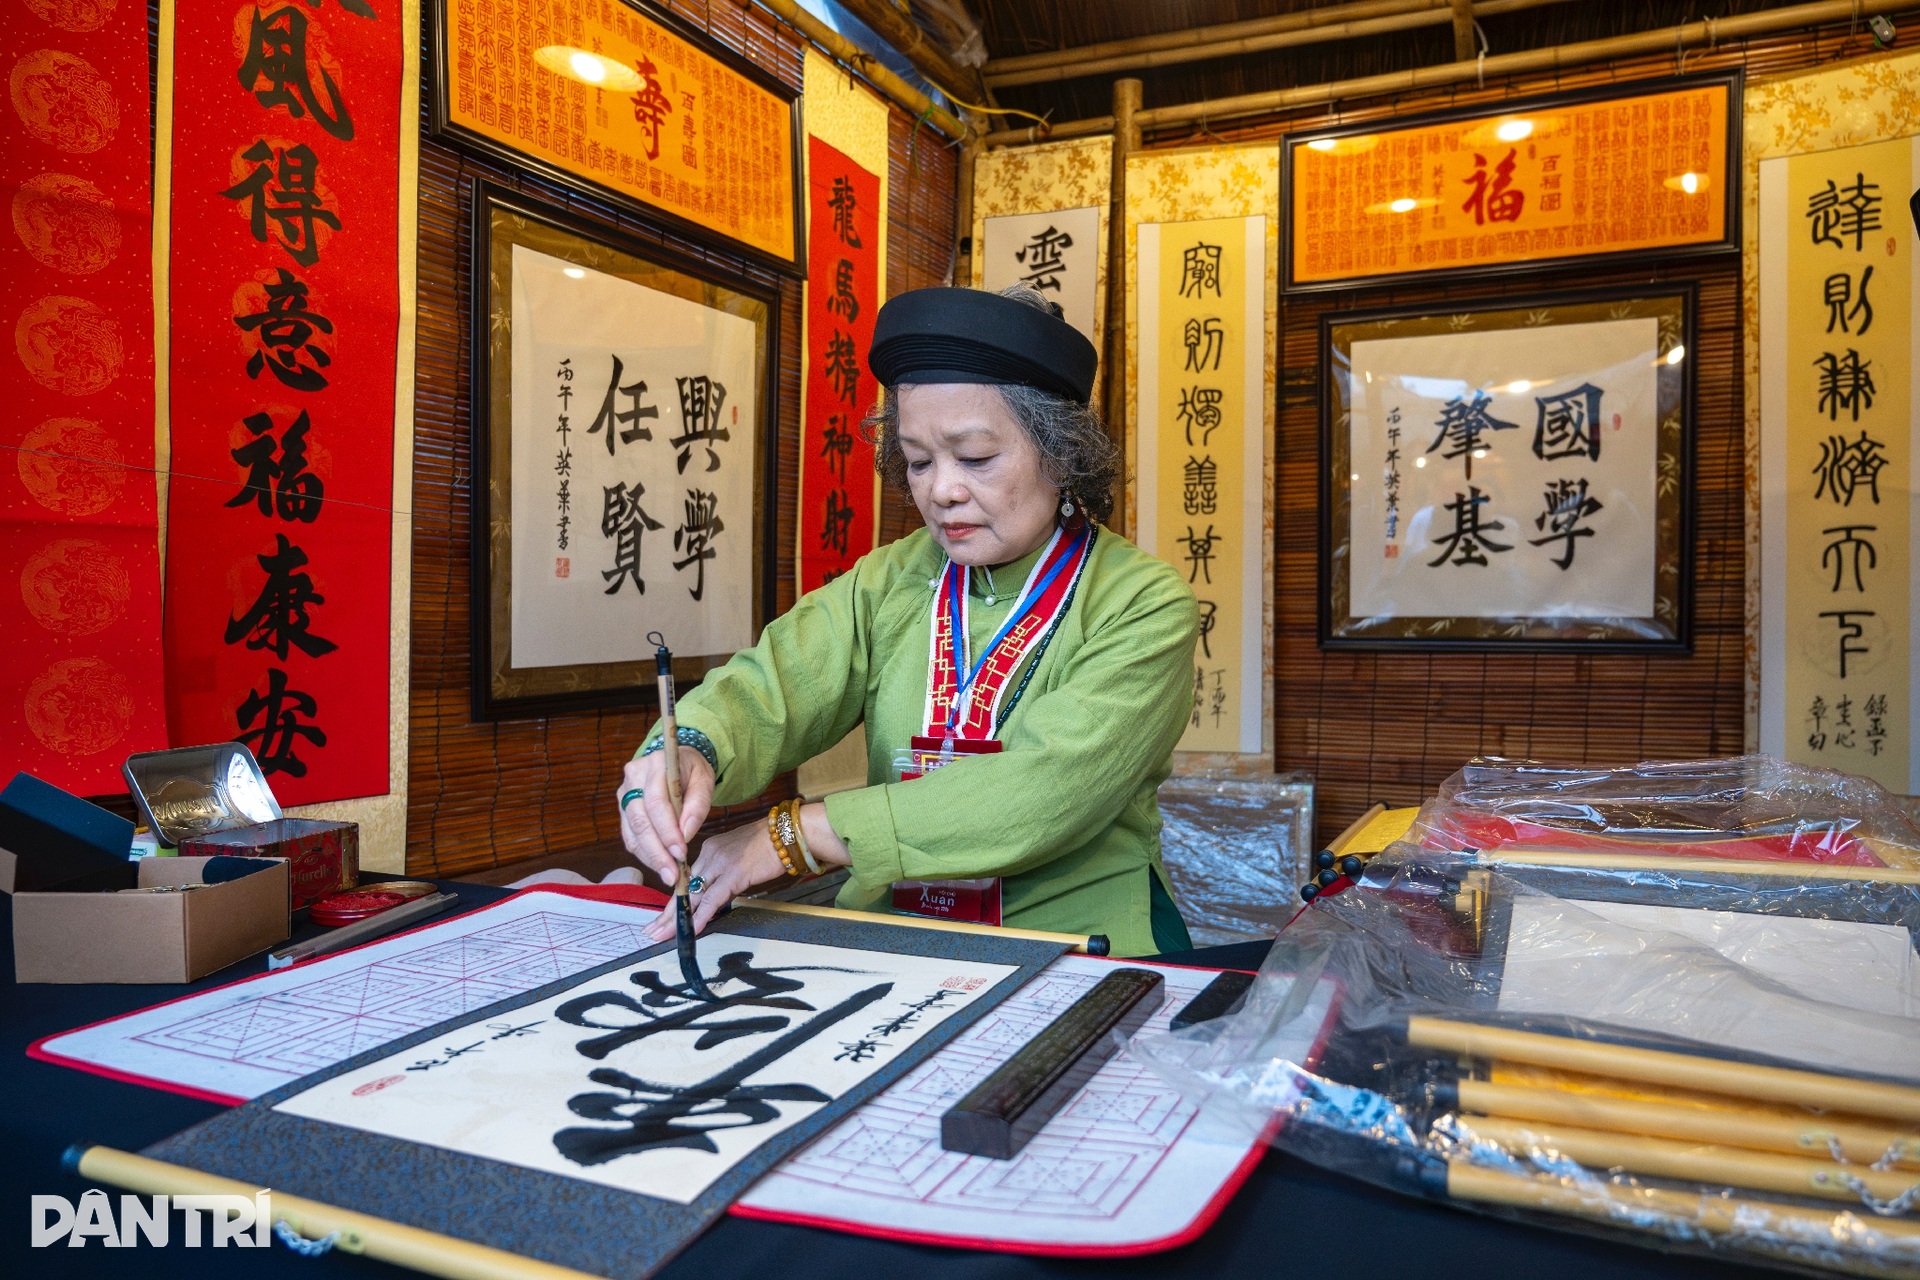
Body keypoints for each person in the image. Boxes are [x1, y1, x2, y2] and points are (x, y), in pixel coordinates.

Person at [622, 283, 1198, 957]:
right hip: (899, 932)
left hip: (1082, 939)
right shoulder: (890, 579)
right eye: (919, 461)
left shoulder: (1141, 602)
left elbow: (1047, 788)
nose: (941, 490)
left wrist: (792, 835)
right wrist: (690, 748)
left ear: (1059, 453)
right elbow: (771, 686)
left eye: (975, 458)